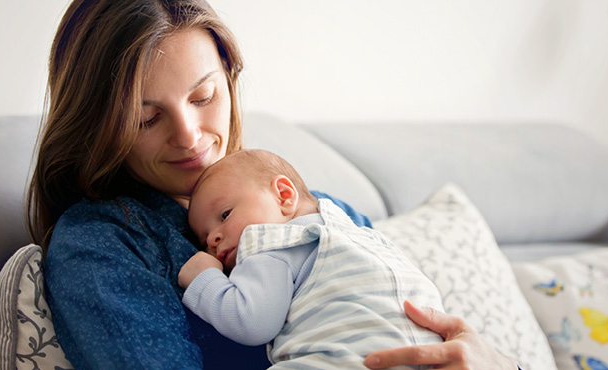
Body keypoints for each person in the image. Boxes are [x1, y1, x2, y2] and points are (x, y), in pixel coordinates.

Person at [26, 0, 520, 369]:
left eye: (203, 96)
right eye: (145, 119)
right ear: (99, 125)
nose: (189, 136)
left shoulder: (326, 212)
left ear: (229, 80)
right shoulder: (105, 242)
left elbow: (418, 326)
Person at [178, 149, 445, 369]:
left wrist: (204, 278)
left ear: (284, 195)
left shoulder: (270, 242)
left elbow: (251, 322)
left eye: (224, 215)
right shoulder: (355, 232)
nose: (213, 239)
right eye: (204, 240)